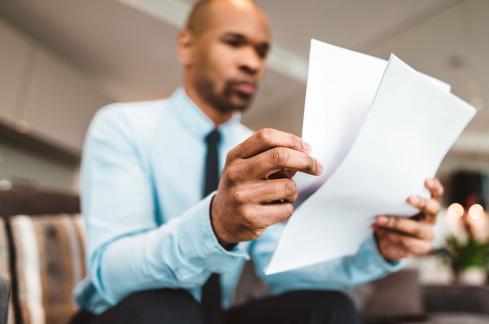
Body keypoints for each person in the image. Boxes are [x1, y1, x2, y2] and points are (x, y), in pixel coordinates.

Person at [70, 0, 444, 323]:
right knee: (169, 310)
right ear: (187, 44)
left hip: (211, 317)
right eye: (234, 43)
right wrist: (215, 226)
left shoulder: (256, 153)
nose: (252, 62)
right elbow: (111, 272)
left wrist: (378, 253)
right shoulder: (122, 125)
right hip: (124, 314)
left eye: (262, 51)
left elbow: (281, 271)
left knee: (331, 309)